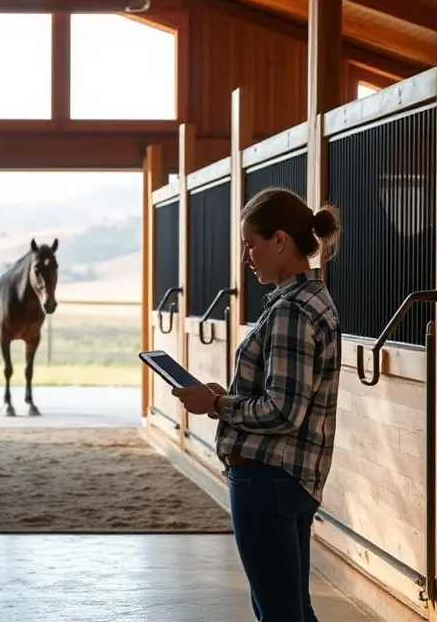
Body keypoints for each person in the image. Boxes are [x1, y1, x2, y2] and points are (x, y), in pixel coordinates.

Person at [172, 186, 342, 622]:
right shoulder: (314, 300)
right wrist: (221, 396)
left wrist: (217, 404)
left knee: (278, 613)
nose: (247, 257)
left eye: (251, 245)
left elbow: (284, 411)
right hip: (293, 479)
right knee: (292, 609)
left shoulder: (291, 310)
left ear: (280, 240)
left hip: (267, 479)